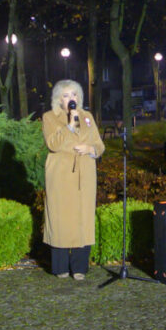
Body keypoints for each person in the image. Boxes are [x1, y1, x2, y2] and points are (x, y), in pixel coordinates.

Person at [42, 79, 105, 280]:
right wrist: (69, 126)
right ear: (59, 99)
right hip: (60, 175)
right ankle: (60, 267)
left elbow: (99, 144)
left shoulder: (87, 117)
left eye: (75, 95)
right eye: (67, 95)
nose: (72, 99)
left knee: (82, 218)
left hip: (85, 174)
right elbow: (53, 144)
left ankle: (80, 267)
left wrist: (92, 149)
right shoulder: (50, 117)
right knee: (61, 219)